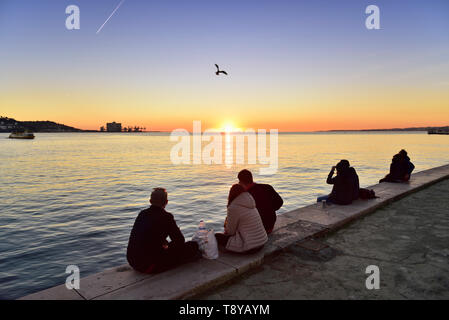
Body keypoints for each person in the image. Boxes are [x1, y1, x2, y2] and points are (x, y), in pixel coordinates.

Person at [126, 188, 201, 274]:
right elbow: (180, 241)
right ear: (166, 202)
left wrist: (165, 244)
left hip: (133, 262)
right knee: (193, 246)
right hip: (149, 266)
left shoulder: (142, 214)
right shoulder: (167, 217)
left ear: (150, 201)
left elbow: (146, 236)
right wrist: (168, 245)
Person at [215, 184, 268, 253]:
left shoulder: (233, 207)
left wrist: (226, 223)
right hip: (262, 242)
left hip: (250, 247)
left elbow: (230, 232)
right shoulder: (251, 203)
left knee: (216, 237)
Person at [237, 169, 283, 234]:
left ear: (240, 182)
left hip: (256, 231)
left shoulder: (246, 196)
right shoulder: (267, 187)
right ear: (251, 178)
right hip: (270, 226)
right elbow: (280, 202)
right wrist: (269, 210)